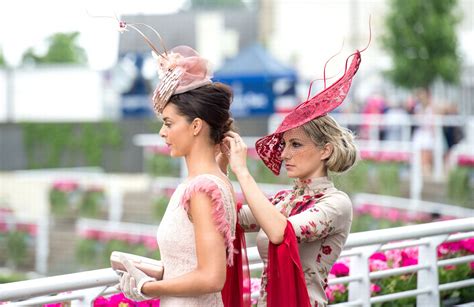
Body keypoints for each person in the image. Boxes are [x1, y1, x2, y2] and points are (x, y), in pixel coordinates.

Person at [114, 23, 249, 307]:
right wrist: (143, 272)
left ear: (196, 125)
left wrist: (147, 288)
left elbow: (212, 278)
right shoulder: (211, 181)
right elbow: (188, 265)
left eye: (168, 123)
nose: (163, 133)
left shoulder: (203, 188)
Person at [221, 49, 363, 306]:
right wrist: (221, 165)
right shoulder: (285, 199)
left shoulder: (336, 204)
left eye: (295, 144)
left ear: (325, 150)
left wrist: (242, 171)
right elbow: (232, 218)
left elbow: (279, 232)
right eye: (284, 145)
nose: (285, 153)